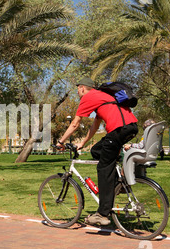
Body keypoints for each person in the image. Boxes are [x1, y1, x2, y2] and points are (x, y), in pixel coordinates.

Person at [56, 77, 138, 226]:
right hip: (131, 127)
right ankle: (117, 184)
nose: (78, 93)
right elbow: (94, 126)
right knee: (96, 150)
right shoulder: (103, 97)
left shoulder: (89, 97)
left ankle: (102, 214)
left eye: (78, 91)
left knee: (103, 168)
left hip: (118, 129)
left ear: (82, 88)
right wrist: (82, 143)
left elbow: (75, 123)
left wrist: (60, 142)